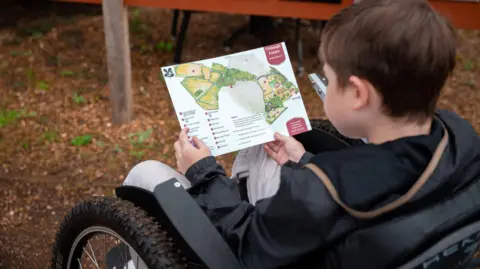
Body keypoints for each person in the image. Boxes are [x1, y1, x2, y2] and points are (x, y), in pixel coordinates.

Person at [123, 0, 480, 268]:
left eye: (328, 77)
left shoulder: (316, 194)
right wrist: (305, 161)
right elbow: (371, 191)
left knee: (148, 174)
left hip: (266, 252)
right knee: (260, 154)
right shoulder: (461, 144)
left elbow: (249, 244)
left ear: (358, 94)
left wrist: (203, 172)